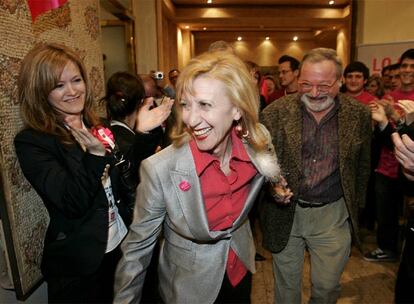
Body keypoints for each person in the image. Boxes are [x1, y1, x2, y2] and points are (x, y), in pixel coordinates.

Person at [114, 50, 289, 303]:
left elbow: (270, 172)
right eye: (185, 104)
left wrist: (277, 188)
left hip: (239, 269)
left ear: (237, 110)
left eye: (205, 105)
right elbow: (137, 249)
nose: (191, 119)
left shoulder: (257, 142)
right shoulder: (161, 169)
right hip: (188, 284)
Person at [14, 43, 132, 303]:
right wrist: (92, 157)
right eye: (59, 85)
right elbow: (72, 202)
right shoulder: (33, 142)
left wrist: (143, 135)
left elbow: (125, 177)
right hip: (80, 266)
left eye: (76, 80)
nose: (72, 91)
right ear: (41, 91)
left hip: (121, 247)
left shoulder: (96, 124)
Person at [260, 48, 372, 303]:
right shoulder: (275, 113)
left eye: (323, 85)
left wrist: (358, 206)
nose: (313, 93)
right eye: (305, 84)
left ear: (340, 81)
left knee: (327, 288)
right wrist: (271, 186)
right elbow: (261, 160)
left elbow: (363, 165)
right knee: (286, 290)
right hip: (285, 213)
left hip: (332, 215)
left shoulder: (359, 115)